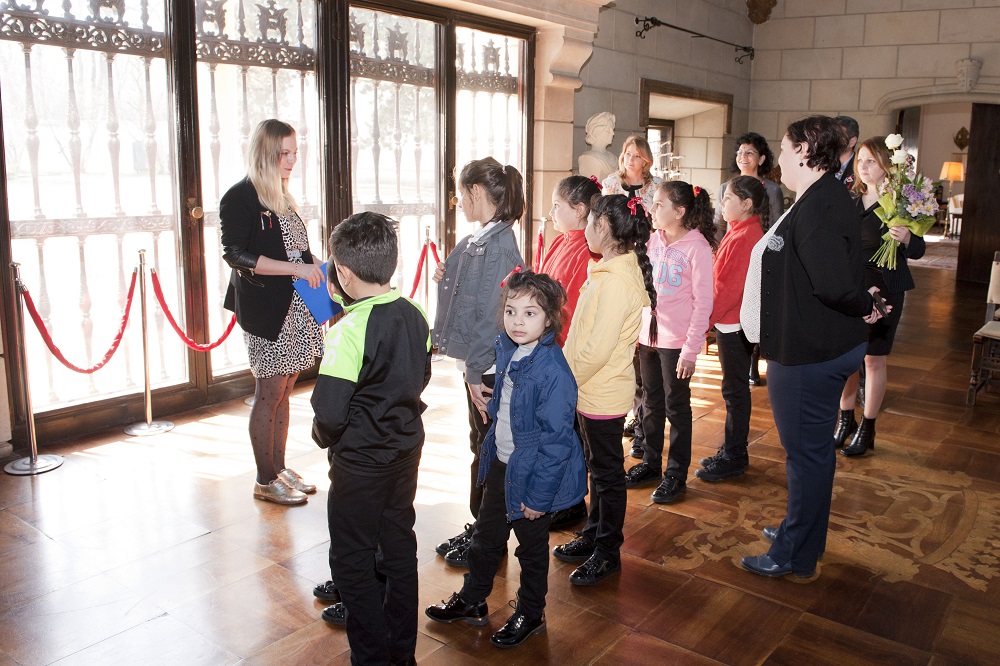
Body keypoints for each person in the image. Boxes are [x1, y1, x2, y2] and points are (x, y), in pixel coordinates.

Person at [739, 116, 886, 579]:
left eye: (783, 149)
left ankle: (794, 555)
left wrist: (864, 302)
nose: (778, 158)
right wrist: (863, 301)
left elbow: (832, 283)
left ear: (805, 150)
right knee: (814, 453)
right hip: (817, 341)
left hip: (809, 351)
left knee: (806, 456)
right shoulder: (820, 197)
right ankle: (803, 534)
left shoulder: (820, 205)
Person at [425, 272, 587, 649]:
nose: (517, 321)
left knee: (531, 551)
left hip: (533, 478)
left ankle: (531, 613)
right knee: (485, 539)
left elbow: (557, 443)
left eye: (530, 313)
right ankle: (472, 600)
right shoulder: (510, 348)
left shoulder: (554, 371)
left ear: (549, 319)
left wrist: (539, 498)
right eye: (511, 311)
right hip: (503, 463)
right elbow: (512, 402)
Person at [310, 212, 432, 665]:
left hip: (360, 463)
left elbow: (329, 412)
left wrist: (326, 438)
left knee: (352, 560)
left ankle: (372, 657)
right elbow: (419, 377)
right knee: (398, 547)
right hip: (404, 452)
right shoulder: (416, 312)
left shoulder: (347, 331)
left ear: (342, 272)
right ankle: (401, 654)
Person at [551, 194, 656, 586]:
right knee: (598, 468)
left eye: (591, 222)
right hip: (590, 388)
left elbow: (595, 348)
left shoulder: (616, 282)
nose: (587, 230)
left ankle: (608, 550)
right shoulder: (610, 271)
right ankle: (594, 533)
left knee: (608, 475)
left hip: (601, 391)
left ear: (604, 229)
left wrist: (563, 379)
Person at [220, 118, 324, 506]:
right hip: (267, 309)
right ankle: (265, 480)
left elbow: (295, 252)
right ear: (266, 153)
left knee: (284, 391)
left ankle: (278, 468)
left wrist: (323, 267)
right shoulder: (240, 197)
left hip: (296, 305)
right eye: (286, 153)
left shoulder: (281, 195)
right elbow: (236, 255)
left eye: (296, 152)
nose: (293, 160)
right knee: (269, 391)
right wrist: (298, 268)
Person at [432, 157, 525, 567]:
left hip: (486, 366)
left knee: (488, 448)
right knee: (481, 444)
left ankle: (487, 537)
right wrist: (445, 274)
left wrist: (474, 373)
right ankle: (481, 527)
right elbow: (470, 288)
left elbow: (493, 316)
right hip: (480, 362)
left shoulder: (499, 245)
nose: (458, 203)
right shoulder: (483, 238)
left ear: (475, 192)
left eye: (459, 194)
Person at [624, 182, 715, 504]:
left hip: (677, 343)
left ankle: (676, 474)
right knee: (650, 402)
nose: (653, 209)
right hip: (648, 337)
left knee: (677, 408)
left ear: (680, 211)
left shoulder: (697, 247)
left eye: (660, 205)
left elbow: (703, 302)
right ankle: (650, 462)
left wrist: (691, 351)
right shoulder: (652, 240)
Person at [836, 137, 925, 457]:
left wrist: (908, 237)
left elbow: (918, 250)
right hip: (852, 289)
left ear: (886, 164)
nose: (863, 166)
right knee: (848, 358)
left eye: (871, 160)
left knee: (873, 359)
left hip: (886, 288)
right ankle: (844, 420)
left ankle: (867, 426)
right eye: (860, 160)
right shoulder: (848, 198)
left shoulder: (901, 201)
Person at [539, 175, 602, 530]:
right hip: (550, 348)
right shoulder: (563, 240)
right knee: (556, 430)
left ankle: (573, 501)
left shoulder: (586, 250)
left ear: (580, 210)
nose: (550, 213)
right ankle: (562, 495)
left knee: (571, 433)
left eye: (557, 206)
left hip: (564, 351)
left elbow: (573, 306)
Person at [697, 176, 770, 482]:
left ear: (746, 204)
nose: (722, 204)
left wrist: (703, 321)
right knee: (734, 389)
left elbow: (727, 288)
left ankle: (735, 455)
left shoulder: (745, 236)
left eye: (728, 199)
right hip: (730, 320)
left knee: (735, 391)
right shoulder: (741, 230)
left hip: (733, 323)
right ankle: (731, 447)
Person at [602, 135, 662, 454]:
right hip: (617, 266)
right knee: (619, 347)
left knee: (641, 349)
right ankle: (626, 414)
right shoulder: (611, 184)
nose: (629, 159)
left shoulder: (657, 188)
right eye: (626, 154)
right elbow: (601, 223)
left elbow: (663, 227)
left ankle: (642, 426)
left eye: (635, 155)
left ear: (647, 161)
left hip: (647, 269)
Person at [714, 131, 784, 387]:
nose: (743, 156)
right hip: (733, 246)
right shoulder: (727, 187)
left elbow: (775, 225)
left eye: (750, 152)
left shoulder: (772, 189)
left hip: (757, 250)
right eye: (740, 152)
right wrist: (720, 251)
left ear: (761, 158)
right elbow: (720, 224)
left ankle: (753, 361)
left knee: (752, 307)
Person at [578, 112, 618, 182]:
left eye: (613, 130)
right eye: (608, 130)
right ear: (596, 133)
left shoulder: (613, 158)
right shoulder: (588, 158)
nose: (612, 133)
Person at [833, 115, 860, 189]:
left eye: (838, 137)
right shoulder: (823, 165)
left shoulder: (860, 169)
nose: (832, 141)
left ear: (852, 142)